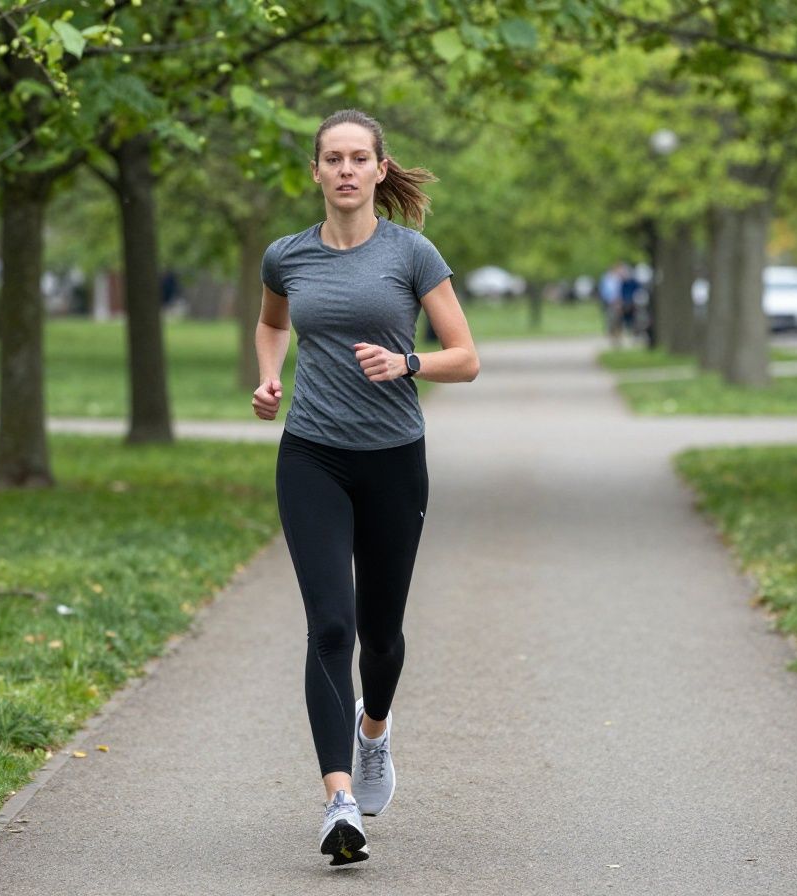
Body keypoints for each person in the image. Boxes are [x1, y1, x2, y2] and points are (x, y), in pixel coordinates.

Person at [252, 109, 479, 867]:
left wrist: (406, 363)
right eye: (333, 158)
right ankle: (339, 802)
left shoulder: (411, 253)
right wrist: (269, 376)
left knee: (381, 635)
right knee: (331, 626)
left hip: (393, 459)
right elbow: (273, 324)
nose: (346, 170)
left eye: (359, 158)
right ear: (316, 171)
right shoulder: (287, 256)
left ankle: (373, 732)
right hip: (311, 457)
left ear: (381, 170)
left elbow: (466, 357)